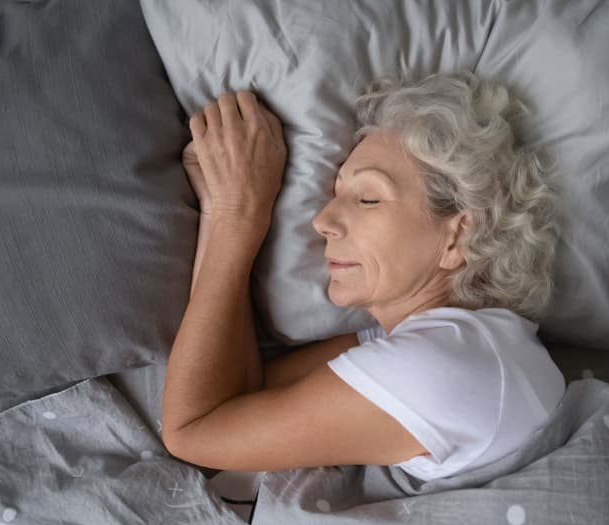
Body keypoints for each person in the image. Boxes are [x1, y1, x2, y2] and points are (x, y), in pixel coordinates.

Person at [161, 72, 566, 482]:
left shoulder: (435, 367)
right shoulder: (461, 343)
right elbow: (243, 400)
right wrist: (219, 211)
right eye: (336, 195)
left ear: (457, 235)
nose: (323, 221)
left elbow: (195, 432)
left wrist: (238, 218)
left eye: (368, 198)